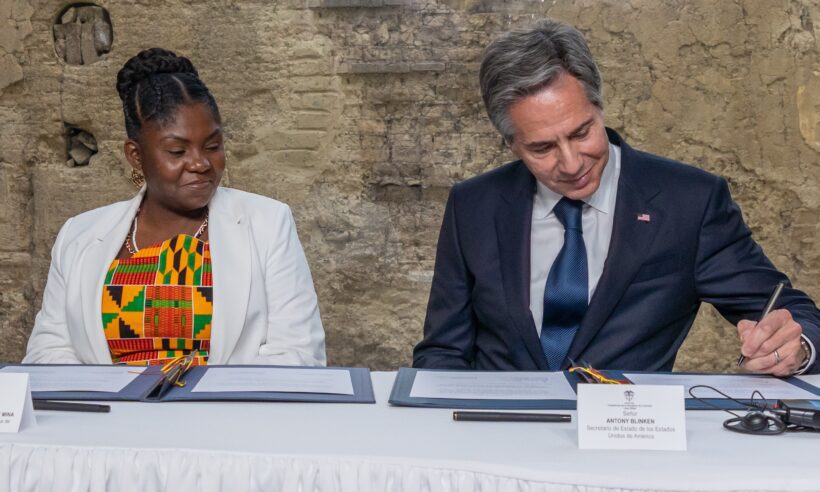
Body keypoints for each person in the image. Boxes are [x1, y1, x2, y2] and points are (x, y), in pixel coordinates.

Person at [413, 19, 820, 375]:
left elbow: (796, 314)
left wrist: (795, 348)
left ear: (599, 107)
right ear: (511, 144)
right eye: (542, 148)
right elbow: (442, 352)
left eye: (581, 133)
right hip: (501, 429)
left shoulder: (690, 203)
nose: (571, 163)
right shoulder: (473, 206)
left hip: (626, 431)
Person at [24, 48, 326, 366]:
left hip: (230, 400)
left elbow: (298, 354)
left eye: (212, 146)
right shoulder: (79, 235)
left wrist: (202, 394)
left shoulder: (268, 223)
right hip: (108, 401)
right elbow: (48, 353)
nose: (200, 163)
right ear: (136, 155)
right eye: (177, 151)